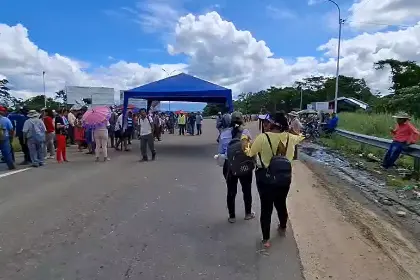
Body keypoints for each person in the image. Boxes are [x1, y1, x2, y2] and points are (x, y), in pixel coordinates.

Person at [245, 112, 304, 248]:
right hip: (284, 178)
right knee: (281, 203)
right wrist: (291, 129)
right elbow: (301, 136)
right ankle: (282, 227)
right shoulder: (291, 138)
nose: (265, 124)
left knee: (266, 208)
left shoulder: (262, 138)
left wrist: (245, 140)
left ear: (272, 124)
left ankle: (266, 240)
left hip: (265, 178)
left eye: (268, 121)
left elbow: (249, 152)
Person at [218, 111, 255, 223]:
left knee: (231, 191)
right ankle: (248, 213)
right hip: (245, 166)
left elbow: (221, 153)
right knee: (247, 190)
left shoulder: (223, 134)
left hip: (230, 166)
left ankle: (232, 216)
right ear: (242, 120)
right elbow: (250, 149)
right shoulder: (246, 132)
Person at [0, 106, 15, 170]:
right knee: (6, 153)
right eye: (2, 111)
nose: (3, 112)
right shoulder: (5, 119)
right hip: (4, 138)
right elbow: (11, 129)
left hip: (4, 137)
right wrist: (11, 136)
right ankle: (10, 166)